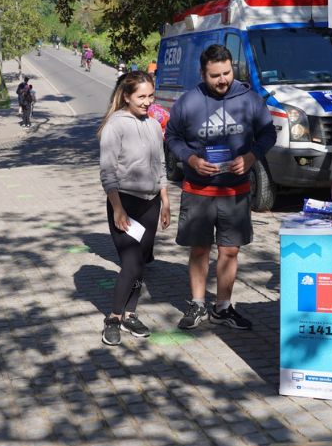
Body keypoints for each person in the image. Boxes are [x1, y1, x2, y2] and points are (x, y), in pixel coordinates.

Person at [166, 44, 276, 330]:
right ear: (202, 74)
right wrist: (190, 159)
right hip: (198, 191)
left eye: (226, 73)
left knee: (229, 252)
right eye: (215, 75)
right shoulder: (187, 102)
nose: (222, 80)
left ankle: (223, 307)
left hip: (235, 193)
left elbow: (268, 134)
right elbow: (172, 137)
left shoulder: (250, 99)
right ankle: (197, 304)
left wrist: (251, 156)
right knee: (200, 249)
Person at [98, 71, 171, 345]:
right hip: (125, 202)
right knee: (130, 262)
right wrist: (117, 209)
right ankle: (113, 318)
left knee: (140, 264)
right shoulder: (115, 126)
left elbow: (160, 165)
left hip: (151, 204)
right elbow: (107, 173)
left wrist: (164, 201)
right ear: (126, 95)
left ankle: (130, 314)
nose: (147, 102)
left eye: (151, 96)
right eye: (141, 96)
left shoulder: (153, 125)